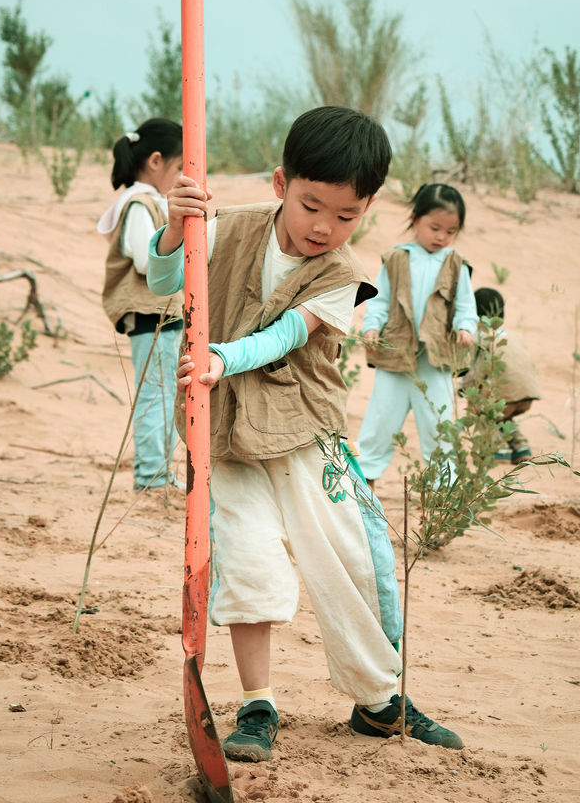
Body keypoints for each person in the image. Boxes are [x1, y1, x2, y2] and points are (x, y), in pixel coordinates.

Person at [147, 106, 464, 763]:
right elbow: (162, 280)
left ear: (368, 208)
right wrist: (177, 225)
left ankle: (378, 700)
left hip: (305, 433)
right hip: (225, 432)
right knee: (249, 561)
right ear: (279, 183)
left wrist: (219, 359)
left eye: (346, 215)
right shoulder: (225, 223)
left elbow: (289, 334)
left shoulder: (345, 274)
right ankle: (258, 704)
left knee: (350, 559)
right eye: (311, 205)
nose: (324, 226)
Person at [356, 183, 478, 489]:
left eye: (450, 231)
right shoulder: (397, 258)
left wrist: (466, 328)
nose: (441, 237)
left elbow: (465, 304)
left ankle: (441, 491)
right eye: (434, 227)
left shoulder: (456, 264)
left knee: (440, 424)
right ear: (415, 219)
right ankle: (362, 482)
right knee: (381, 419)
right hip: (396, 355)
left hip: (434, 361)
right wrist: (372, 326)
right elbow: (380, 300)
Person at [98, 118, 184, 493]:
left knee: (167, 394)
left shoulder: (151, 202)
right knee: (156, 395)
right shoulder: (138, 204)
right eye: (179, 167)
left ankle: (161, 473)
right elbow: (146, 261)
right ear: (155, 161)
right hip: (152, 316)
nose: (182, 175)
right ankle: (150, 477)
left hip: (164, 316)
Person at [461, 287, 541, 463]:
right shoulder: (514, 336)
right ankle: (521, 447)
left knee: (481, 411)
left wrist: (464, 389)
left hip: (504, 397)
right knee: (503, 415)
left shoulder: (479, 337)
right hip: (526, 394)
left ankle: (498, 448)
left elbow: (477, 372)